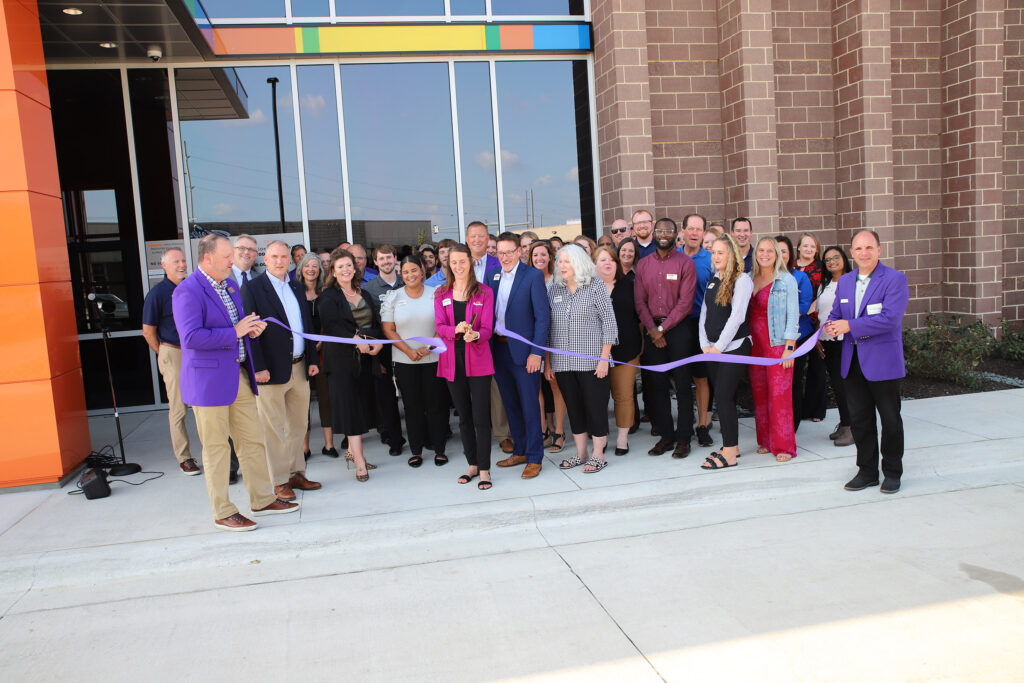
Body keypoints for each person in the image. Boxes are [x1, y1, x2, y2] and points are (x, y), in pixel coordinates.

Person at [172, 234, 298, 532]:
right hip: (208, 382)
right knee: (216, 448)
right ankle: (223, 510)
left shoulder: (229, 285)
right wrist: (236, 331)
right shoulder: (188, 291)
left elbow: (238, 327)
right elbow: (190, 338)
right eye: (228, 256)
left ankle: (263, 499)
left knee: (252, 440)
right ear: (208, 258)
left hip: (238, 375)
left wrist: (251, 329)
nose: (234, 260)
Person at [825, 230, 909, 494]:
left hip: (883, 363)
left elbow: (890, 319)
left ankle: (892, 472)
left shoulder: (895, 279)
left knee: (890, 420)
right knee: (860, 421)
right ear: (851, 252)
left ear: (879, 250)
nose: (864, 253)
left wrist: (848, 325)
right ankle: (867, 471)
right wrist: (831, 326)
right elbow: (837, 313)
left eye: (869, 248)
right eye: (858, 248)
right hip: (852, 362)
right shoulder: (846, 281)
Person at [242, 240, 322, 501]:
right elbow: (249, 332)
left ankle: (296, 473)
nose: (279, 261)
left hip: (299, 367)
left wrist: (312, 358)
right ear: (265, 259)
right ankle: (278, 481)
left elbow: (305, 325)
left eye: (284, 257)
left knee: (298, 425)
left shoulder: (296, 287)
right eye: (274, 256)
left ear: (290, 260)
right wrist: (259, 367)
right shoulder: (253, 288)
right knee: (273, 429)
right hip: (270, 372)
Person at [546, 245, 617, 473]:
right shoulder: (555, 289)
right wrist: (548, 362)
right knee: (574, 408)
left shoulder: (595, 286)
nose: (562, 265)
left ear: (579, 263)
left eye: (567, 261)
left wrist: (604, 359)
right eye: (560, 261)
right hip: (563, 363)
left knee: (595, 407)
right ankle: (581, 453)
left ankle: (598, 454)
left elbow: (609, 323)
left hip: (593, 361)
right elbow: (548, 328)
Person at [633, 217, 697, 458]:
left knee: (681, 384)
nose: (663, 234)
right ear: (653, 232)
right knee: (657, 385)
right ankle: (666, 437)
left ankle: (683, 438)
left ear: (676, 234)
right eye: (659, 230)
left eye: (668, 231)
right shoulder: (643, 265)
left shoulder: (685, 263)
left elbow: (685, 302)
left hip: (678, 329)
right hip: (651, 329)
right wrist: (652, 329)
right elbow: (639, 301)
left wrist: (663, 329)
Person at [489, 232, 550, 480]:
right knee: (510, 404)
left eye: (508, 252)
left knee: (529, 405)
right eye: (500, 252)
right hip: (498, 350)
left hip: (525, 353)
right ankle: (521, 451)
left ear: (519, 252)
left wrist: (537, 353)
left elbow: (542, 318)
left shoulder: (532, 276)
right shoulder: (493, 277)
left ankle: (535, 457)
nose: (503, 257)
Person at [319, 249, 384, 482]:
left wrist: (377, 344)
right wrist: (354, 340)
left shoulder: (364, 293)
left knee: (362, 408)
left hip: (365, 361)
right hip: (341, 362)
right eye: (340, 267)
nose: (346, 270)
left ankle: (353, 453)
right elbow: (331, 325)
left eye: (349, 265)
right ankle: (359, 463)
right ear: (333, 272)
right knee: (351, 410)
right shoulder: (328, 296)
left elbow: (375, 323)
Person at [434, 244, 495, 490]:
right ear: (449, 265)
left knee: (481, 417)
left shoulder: (484, 293)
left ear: (471, 262)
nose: (458, 266)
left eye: (462, 261)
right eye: (454, 262)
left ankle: (485, 469)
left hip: (478, 361)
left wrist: (476, 336)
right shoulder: (441, 293)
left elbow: (488, 329)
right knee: (464, 418)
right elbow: (439, 327)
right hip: (451, 361)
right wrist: (455, 330)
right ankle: (472, 464)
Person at [382, 255, 449, 468]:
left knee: (437, 405)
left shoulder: (437, 293)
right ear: (401, 274)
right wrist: (409, 351)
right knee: (412, 407)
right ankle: (416, 451)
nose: (410, 275)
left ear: (423, 271)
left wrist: (425, 348)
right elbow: (388, 329)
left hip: (434, 358)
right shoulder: (392, 296)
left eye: (414, 270)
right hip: (404, 361)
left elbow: (443, 325)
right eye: (406, 271)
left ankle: (439, 449)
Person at [698, 235, 754, 470]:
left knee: (722, 396)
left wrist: (719, 347)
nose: (717, 256)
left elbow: (737, 317)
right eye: (714, 252)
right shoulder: (714, 279)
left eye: (722, 252)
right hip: (712, 349)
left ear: (732, 255)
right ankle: (733, 445)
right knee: (723, 397)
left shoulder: (741, 280)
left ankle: (729, 451)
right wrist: (704, 345)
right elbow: (705, 313)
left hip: (734, 347)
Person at [142, 247, 197, 475]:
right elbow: (148, 331)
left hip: (196, 352)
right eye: (176, 261)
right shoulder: (157, 294)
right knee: (178, 408)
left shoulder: (192, 289)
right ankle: (184, 457)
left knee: (205, 403)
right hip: (172, 351)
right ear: (164, 266)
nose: (182, 265)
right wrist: (163, 353)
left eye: (183, 260)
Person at [748, 237, 799, 462]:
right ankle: (766, 441)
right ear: (755, 253)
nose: (765, 254)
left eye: (770, 250)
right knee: (760, 394)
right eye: (761, 250)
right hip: (754, 345)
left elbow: (792, 317)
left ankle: (784, 446)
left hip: (777, 344)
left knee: (780, 396)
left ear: (777, 254)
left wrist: (790, 348)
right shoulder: (750, 278)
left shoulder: (786, 280)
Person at [465, 221, 511, 453]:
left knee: (497, 386)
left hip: (493, 335)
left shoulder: (499, 263)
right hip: (467, 337)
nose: (477, 240)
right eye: (472, 236)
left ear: (487, 239)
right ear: (466, 238)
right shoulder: (459, 263)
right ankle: (475, 433)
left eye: (481, 236)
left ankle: (502, 433)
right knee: (473, 387)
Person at [594, 245, 641, 456]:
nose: (607, 263)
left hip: (627, 350)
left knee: (623, 396)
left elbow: (640, 316)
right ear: (594, 264)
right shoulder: (588, 289)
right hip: (595, 353)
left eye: (611, 260)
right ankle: (600, 437)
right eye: (602, 260)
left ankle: (622, 438)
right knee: (598, 398)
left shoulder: (630, 286)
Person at [363, 243, 406, 456]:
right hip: (384, 349)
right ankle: (394, 439)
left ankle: (420, 433)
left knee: (411, 392)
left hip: (409, 346)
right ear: (375, 262)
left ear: (395, 258)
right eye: (382, 259)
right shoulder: (369, 289)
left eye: (389, 258)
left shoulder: (407, 280)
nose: (386, 262)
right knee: (387, 396)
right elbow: (370, 322)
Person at [295, 253, 338, 459]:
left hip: (323, 353)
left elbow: (331, 322)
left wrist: (319, 343)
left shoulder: (326, 293)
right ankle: (304, 448)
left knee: (325, 399)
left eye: (315, 266)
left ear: (321, 270)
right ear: (300, 268)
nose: (311, 269)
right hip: (300, 354)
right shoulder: (293, 292)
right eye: (307, 265)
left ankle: (329, 445)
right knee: (302, 401)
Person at [527, 240, 567, 453]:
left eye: (543, 254)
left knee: (555, 385)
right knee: (535, 387)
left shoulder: (558, 281)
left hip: (556, 341)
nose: (539, 259)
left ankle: (559, 431)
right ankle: (543, 428)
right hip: (533, 342)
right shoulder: (526, 280)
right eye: (535, 255)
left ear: (551, 257)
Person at [680, 213, 714, 447]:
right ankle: (683, 424)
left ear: (703, 233)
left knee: (701, 378)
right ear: (682, 231)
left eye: (698, 229)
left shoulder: (711, 259)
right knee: (680, 377)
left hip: (702, 325)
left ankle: (702, 425)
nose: (694, 233)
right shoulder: (672, 257)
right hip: (678, 326)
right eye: (690, 228)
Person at [775, 235, 814, 432]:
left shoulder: (800, 277)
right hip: (773, 339)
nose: (780, 255)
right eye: (777, 250)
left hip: (797, 337)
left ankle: (793, 423)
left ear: (790, 254)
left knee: (793, 381)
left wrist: (778, 315)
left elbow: (805, 306)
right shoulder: (764, 279)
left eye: (784, 251)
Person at [817, 245, 854, 447]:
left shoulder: (851, 281)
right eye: (827, 259)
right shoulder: (824, 284)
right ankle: (844, 422)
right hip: (826, 342)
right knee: (836, 385)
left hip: (843, 342)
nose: (831, 262)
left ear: (844, 258)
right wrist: (818, 340)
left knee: (844, 386)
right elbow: (821, 314)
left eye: (835, 257)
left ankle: (852, 425)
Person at [795, 232, 827, 422]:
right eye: (805, 245)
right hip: (797, 323)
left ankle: (816, 410)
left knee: (817, 366)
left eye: (812, 246)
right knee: (797, 369)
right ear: (798, 247)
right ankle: (800, 408)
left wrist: (813, 307)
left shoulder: (821, 269)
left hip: (815, 320)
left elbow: (826, 292)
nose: (808, 249)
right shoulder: (790, 267)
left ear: (817, 250)